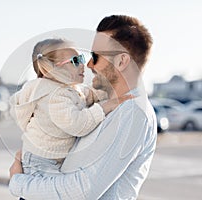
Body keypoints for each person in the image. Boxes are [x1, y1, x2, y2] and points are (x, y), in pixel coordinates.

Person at [9, 14, 156, 200]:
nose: (88, 64)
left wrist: (18, 182)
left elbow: (82, 190)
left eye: (95, 56)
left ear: (121, 61)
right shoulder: (103, 104)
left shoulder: (132, 112)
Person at [10, 38, 127, 180]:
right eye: (76, 61)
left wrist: (111, 90)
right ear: (53, 68)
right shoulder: (52, 97)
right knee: (44, 193)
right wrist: (105, 107)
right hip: (41, 161)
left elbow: (87, 96)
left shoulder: (69, 90)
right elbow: (77, 124)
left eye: (81, 58)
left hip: (53, 159)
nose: (83, 64)